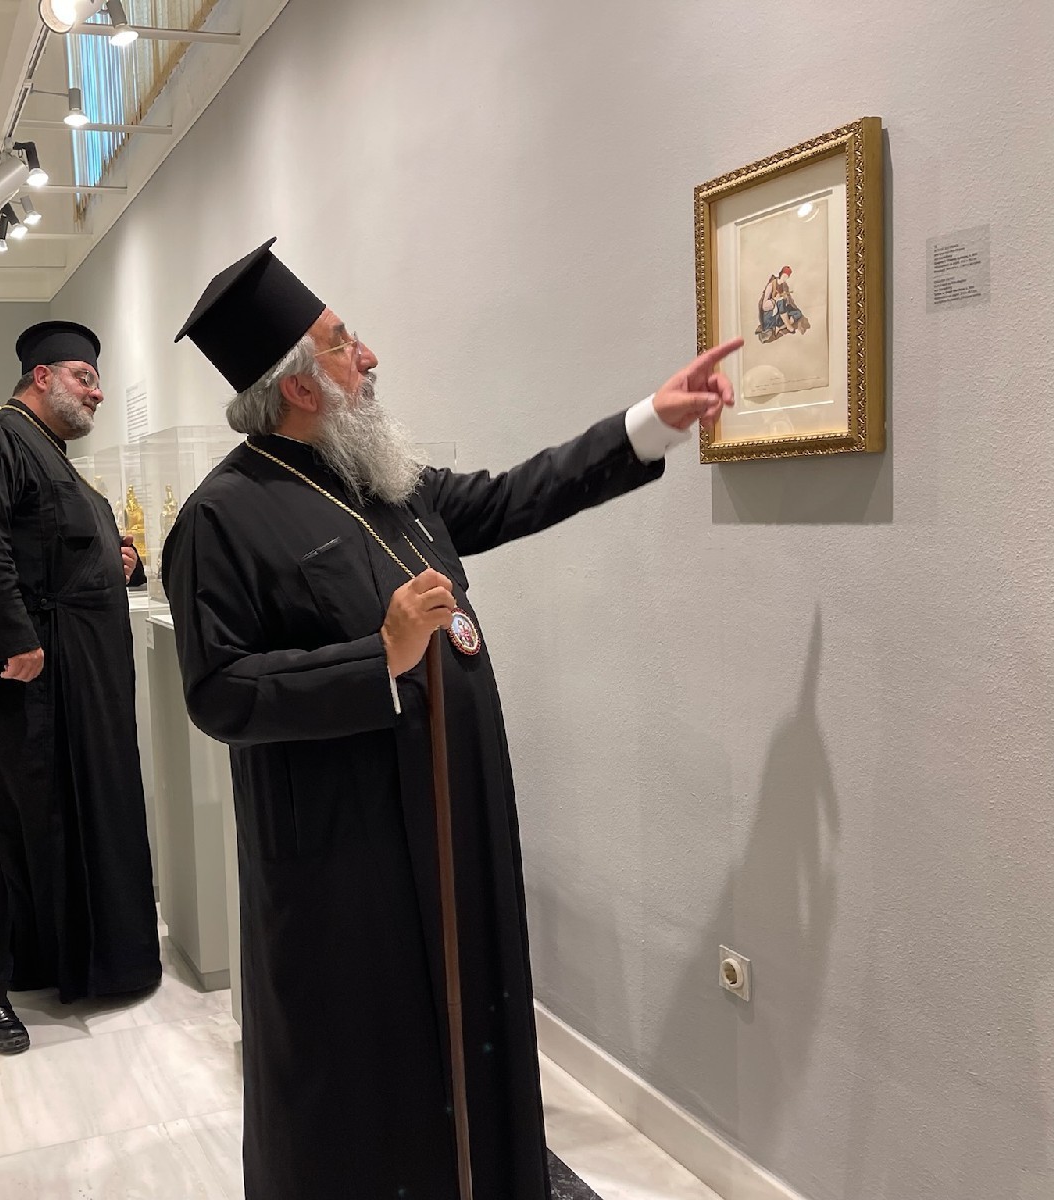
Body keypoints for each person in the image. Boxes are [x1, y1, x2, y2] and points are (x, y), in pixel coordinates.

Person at [163, 238, 741, 1200]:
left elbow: (514, 496)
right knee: (372, 1066)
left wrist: (649, 423)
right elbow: (218, 691)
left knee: (471, 1032)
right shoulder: (219, 517)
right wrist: (377, 658)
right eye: (345, 344)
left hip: (455, 820)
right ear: (298, 386)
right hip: (345, 862)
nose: (371, 356)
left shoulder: (385, 482)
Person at [0, 320, 161, 1054]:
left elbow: (55, 545)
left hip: (67, 685)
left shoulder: (50, 454)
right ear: (41, 377)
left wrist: (117, 560)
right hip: (14, 680)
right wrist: (14, 637)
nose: (97, 394)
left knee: (56, 821)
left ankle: (56, 960)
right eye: (84, 378)